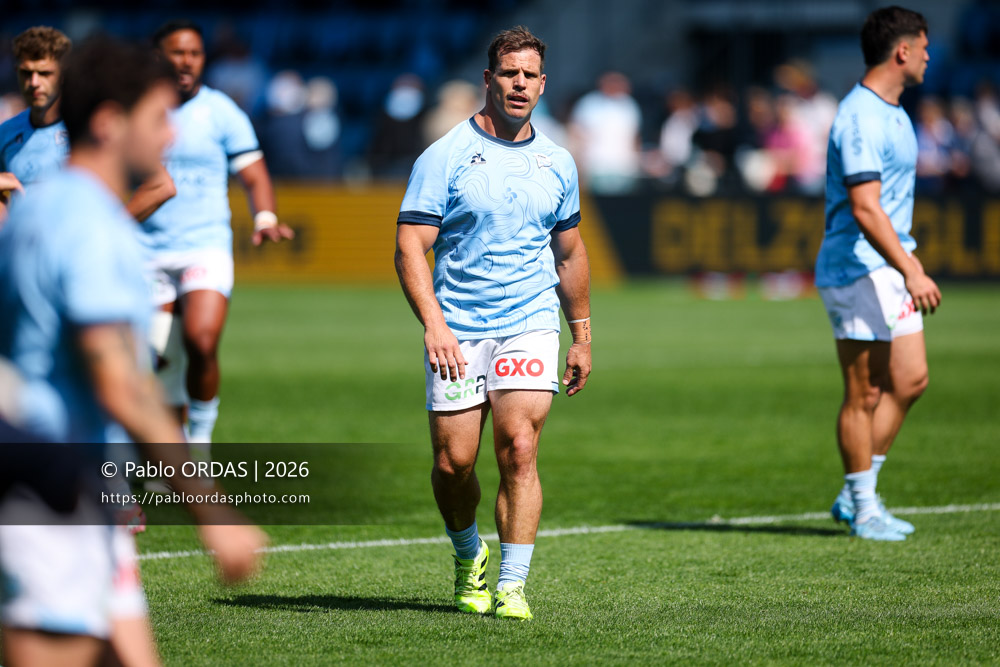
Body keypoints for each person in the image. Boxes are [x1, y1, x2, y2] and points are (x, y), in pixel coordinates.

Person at [0, 36, 267, 667]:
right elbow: (121, 382)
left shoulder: (41, 211)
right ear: (110, 123)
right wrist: (212, 511)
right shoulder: (92, 228)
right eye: (157, 118)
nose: (170, 136)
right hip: (50, 493)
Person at [394, 26, 591, 620]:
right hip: (457, 326)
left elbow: (570, 253)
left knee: (520, 447)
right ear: (489, 79)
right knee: (454, 464)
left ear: (542, 84)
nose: (519, 84)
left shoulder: (558, 162)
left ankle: (511, 584)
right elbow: (410, 247)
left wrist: (581, 333)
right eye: (509, 74)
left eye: (530, 76)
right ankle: (467, 552)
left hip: (529, 319)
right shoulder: (444, 156)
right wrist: (433, 324)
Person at [815, 6, 941, 541]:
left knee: (911, 380)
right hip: (857, 268)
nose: (930, 57)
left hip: (887, 266)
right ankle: (864, 506)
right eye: (924, 47)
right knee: (863, 392)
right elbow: (866, 208)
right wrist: (911, 268)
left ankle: (854, 493)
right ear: (902, 51)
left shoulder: (893, 111)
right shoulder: (860, 116)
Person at [142, 20, 294, 451]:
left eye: (195, 53)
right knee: (159, 358)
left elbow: (253, 174)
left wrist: (264, 216)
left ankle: (200, 442)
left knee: (201, 340)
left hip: (203, 245)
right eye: (177, 52)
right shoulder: (138, 108)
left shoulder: (221, 110)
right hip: (145, 249)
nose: (187, 61)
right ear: (158, 56)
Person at [0, 26, 175, 224]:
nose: (34, 82)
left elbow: (161, 186)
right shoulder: (6, 132)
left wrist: (107, 227)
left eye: (44, 73)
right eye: (26, 73)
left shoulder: (88, 125)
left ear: (63, 75)